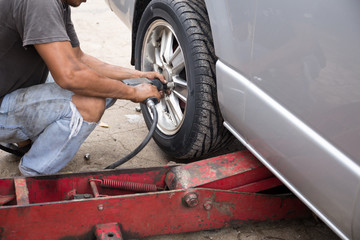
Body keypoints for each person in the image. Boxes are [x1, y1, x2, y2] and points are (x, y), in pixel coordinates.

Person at [0, 0, 166, 176]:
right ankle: (32, 172)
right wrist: (133, 93)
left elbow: (78, 58)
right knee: (90, 103)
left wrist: (137, 76)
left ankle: (24, 142)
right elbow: (69, 76)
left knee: (106, 86)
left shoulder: (60, 4)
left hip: (9, 88)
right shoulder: (41, 4)